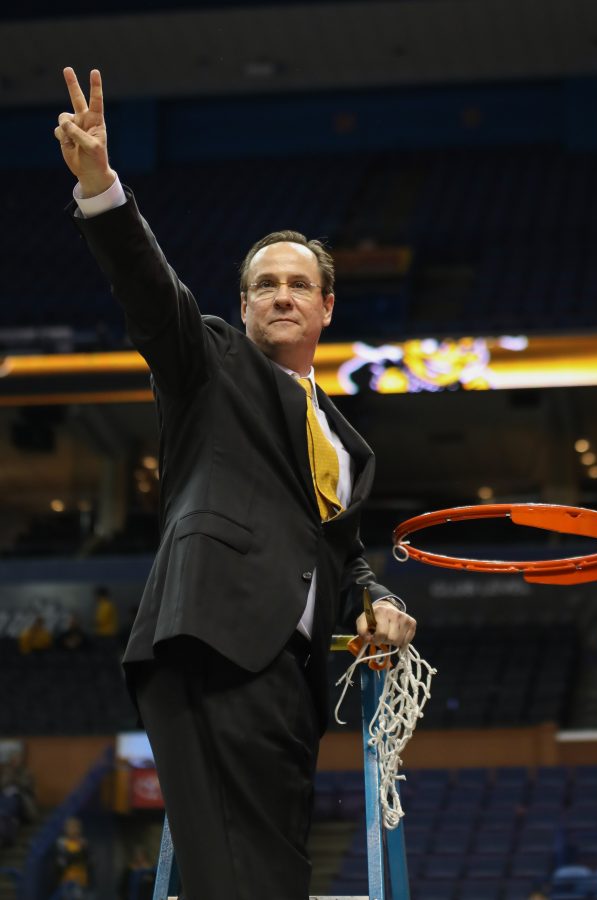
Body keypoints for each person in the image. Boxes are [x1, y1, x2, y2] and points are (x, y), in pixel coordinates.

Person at [55, 66, 416, 900]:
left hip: (291, 683)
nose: (281, 296)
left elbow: (339, 551)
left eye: (297, 285)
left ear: (327, 307)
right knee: (233, 880)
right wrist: (102, 186)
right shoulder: (209, 364)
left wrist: (376, 599)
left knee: (275, 877)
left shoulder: (349, 445)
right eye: (264, 285)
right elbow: (151, 294)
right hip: (210, 644)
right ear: (243, 306)